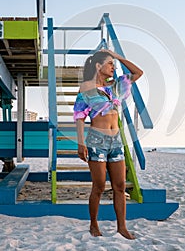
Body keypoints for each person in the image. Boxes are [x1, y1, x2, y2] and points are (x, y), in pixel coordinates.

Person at [73, 49, 143, 239]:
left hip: (116, 141)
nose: (114, 67)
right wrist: (81, 143)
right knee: (99, 186)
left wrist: (118, 56)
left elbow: (138, 73)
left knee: (120, 186)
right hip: (97, 140)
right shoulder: (87, 88)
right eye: (110, 63)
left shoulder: (116, 87)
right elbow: (80, 117)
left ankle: (122, 227)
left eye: (114, 64)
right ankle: (93, 224)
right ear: (98, 66)